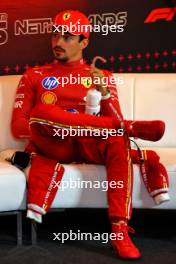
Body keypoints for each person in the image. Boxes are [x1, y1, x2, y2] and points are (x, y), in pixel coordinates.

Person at [10, 10, 169, 259]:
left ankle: (119, 230)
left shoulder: (102, 77)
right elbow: (19, 127)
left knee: (117, 137)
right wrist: (60, 121)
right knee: (43, 111)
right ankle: (132, 127)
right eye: (55, 35)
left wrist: (103, 93)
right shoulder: (34, 75)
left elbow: (112, 121)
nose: (57, 42)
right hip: (53, 143)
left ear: (85, 42)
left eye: (67, 36)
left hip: (88, 144)